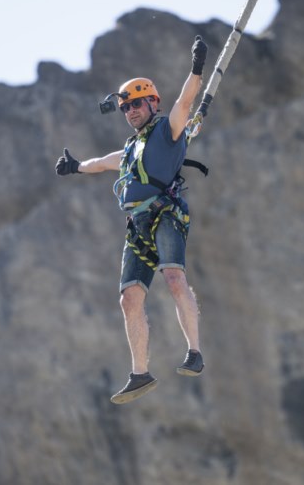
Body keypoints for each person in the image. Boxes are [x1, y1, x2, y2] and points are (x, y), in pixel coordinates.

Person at [55, 35, 208, 404]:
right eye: (126, 108)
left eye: (137, 104)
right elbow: (100, 164)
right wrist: (75, 166)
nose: (131, 111)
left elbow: (186, 101)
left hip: (165, 213)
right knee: (129, 299)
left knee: (174, 277)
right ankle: (139, 373)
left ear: (151, 103)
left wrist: (197, 69)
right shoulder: (128, 150)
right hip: (137, 226)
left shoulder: (168, 131)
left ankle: (194, 351)